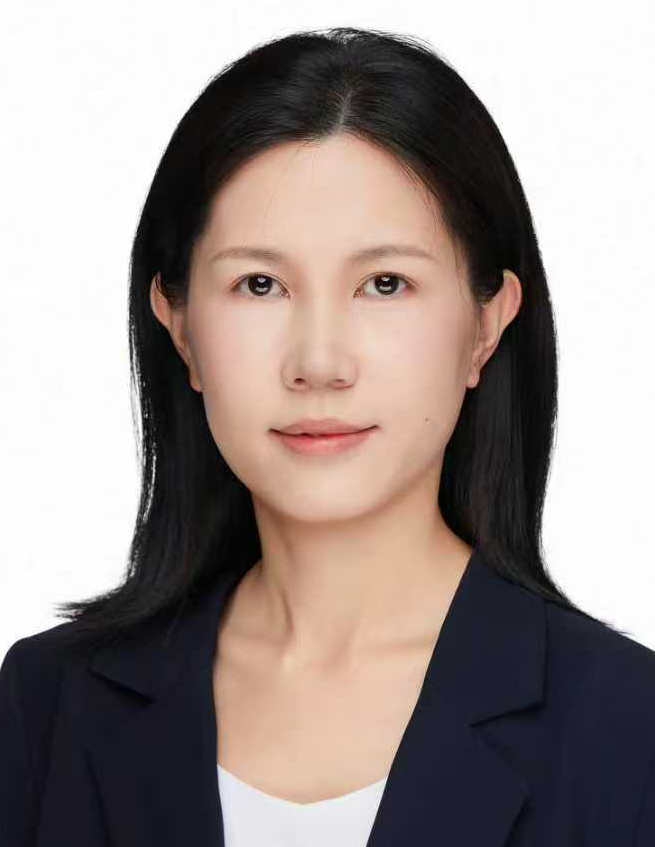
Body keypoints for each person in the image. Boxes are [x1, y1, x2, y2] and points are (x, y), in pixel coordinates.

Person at [1, 25, 654, 847]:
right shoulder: (46, 702)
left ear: (486, 325)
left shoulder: (626, 728)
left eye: (384, 283)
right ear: (180, 326)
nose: (318, 362)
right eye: (259, 284)